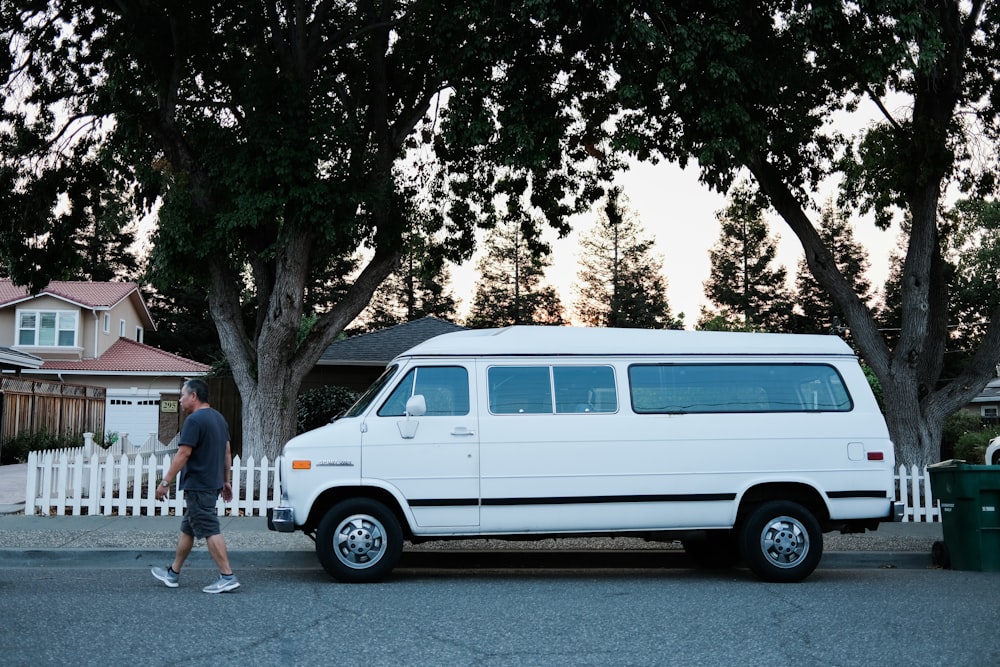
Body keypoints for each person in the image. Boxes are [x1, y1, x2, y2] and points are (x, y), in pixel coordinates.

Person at [151, 378, 239, 593]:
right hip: (211, 483)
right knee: (188, 529)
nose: (180, 400)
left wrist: (165, 482)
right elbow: (227, 451)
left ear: (194, 396)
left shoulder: (194, 420)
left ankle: (227, 576)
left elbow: (183, 453)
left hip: (199, 484)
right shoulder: (218, 418)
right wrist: (225, 480)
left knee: (210, 528)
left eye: (182, 395)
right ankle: (173, 573)